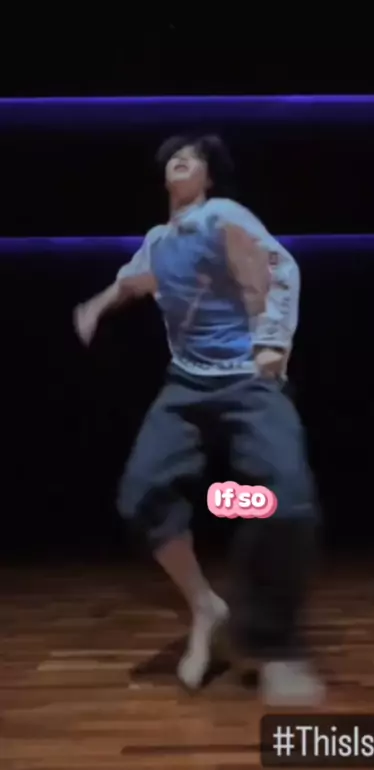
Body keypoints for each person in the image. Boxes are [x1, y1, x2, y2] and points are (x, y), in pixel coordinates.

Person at [74, 134, 323, 705]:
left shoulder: (221, 215)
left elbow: (280, 267)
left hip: (248, 381)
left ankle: (276, 646)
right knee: (140, 496)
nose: (179, 160)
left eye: (194, 157)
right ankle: (206, 607)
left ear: (209, 178)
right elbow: (133, 280)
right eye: (173, 157)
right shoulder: (160, 240)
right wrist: (97, 306)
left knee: (288, 498)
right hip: (186, 385)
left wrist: (272, 341)